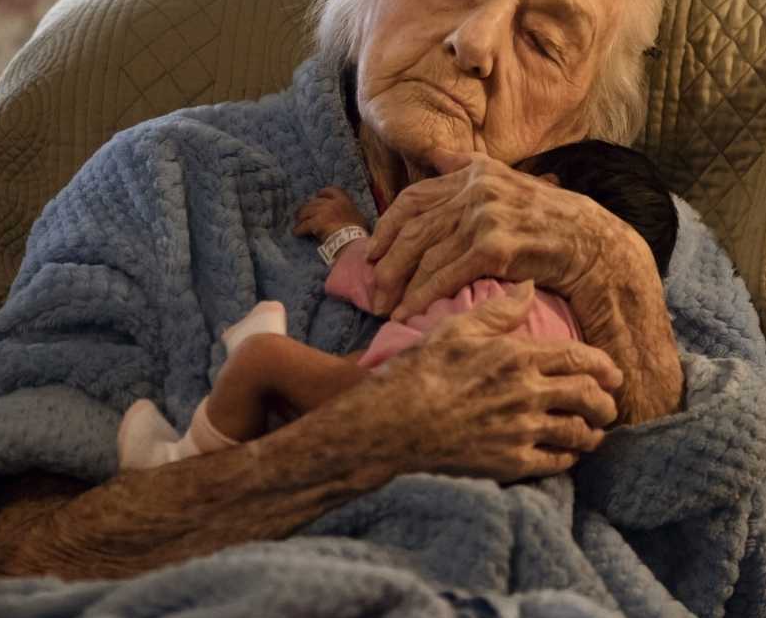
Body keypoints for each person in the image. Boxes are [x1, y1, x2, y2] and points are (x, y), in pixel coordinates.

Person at [0, 0, 766, 618]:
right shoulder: (166, 178)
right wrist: (374, 433)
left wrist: (609, 274)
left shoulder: (640, 240)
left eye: (543, 42)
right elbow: (31, 553)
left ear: (584, 117)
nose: (477, 43)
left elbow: (731, 591)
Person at [115, 140, 678, 468]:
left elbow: (385, 282)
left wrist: (346, 233)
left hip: (413, 401)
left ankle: (175, 464)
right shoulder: (591, 320)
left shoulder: (493, 255)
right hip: (511, 445)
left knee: (262, 361)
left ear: (541, 191)